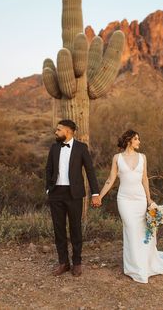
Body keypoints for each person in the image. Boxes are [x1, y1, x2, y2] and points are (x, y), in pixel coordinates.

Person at [99, 129, 163, 283]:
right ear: (129, 141)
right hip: (125, 200)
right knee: (131, 230)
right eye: (136, 139)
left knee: (143, 231)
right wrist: (100, 196)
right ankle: (134, 267)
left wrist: (149, 200)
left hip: (140, 199)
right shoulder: (117, 158)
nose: (139, 141)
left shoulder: (143, 157)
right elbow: (111, 179)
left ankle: (144, 263)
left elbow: (145, 179)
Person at [45, 119, 100, 277]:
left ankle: (77, 263)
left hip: (74, 194)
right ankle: (63, 263)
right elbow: (48, 169)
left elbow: (90, 170)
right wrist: (48, 189)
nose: (56, 132)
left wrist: (95, 193)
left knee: (75, 228)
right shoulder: (54, 148)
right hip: (56, 193)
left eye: (59, 130)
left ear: (68, 131)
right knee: (59, 229)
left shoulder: (81, 148)